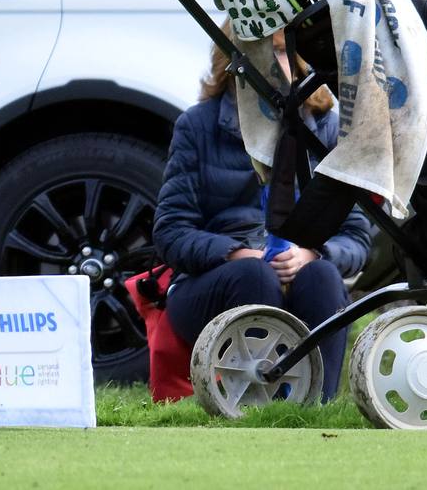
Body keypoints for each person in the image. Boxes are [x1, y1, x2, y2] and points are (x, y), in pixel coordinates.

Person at [154, 39, 375, 400]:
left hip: (300, 273)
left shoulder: (328, 128)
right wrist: (234, 253)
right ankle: (252, 403)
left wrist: (312, 253)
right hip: (214, 284)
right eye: (260, 50)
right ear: (233, 58)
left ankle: (317, 407)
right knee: (254, 273)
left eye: (284, 50)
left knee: (322, 274)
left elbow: (357, 240)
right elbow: (171, 232)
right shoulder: (197, 125)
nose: (274, 62)